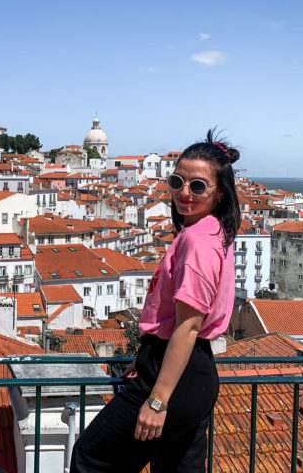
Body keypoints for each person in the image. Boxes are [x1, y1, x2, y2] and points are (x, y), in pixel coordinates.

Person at [70, 130, 240, 473]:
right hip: (189, 374)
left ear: (219, 192)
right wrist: (146, 355)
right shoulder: (213, 232)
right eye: (178, 181)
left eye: (198, 186)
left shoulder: (197, 241)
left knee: (91, 458)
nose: (184, 193)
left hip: (175, 376)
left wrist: (158, 400)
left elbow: (188, 327)